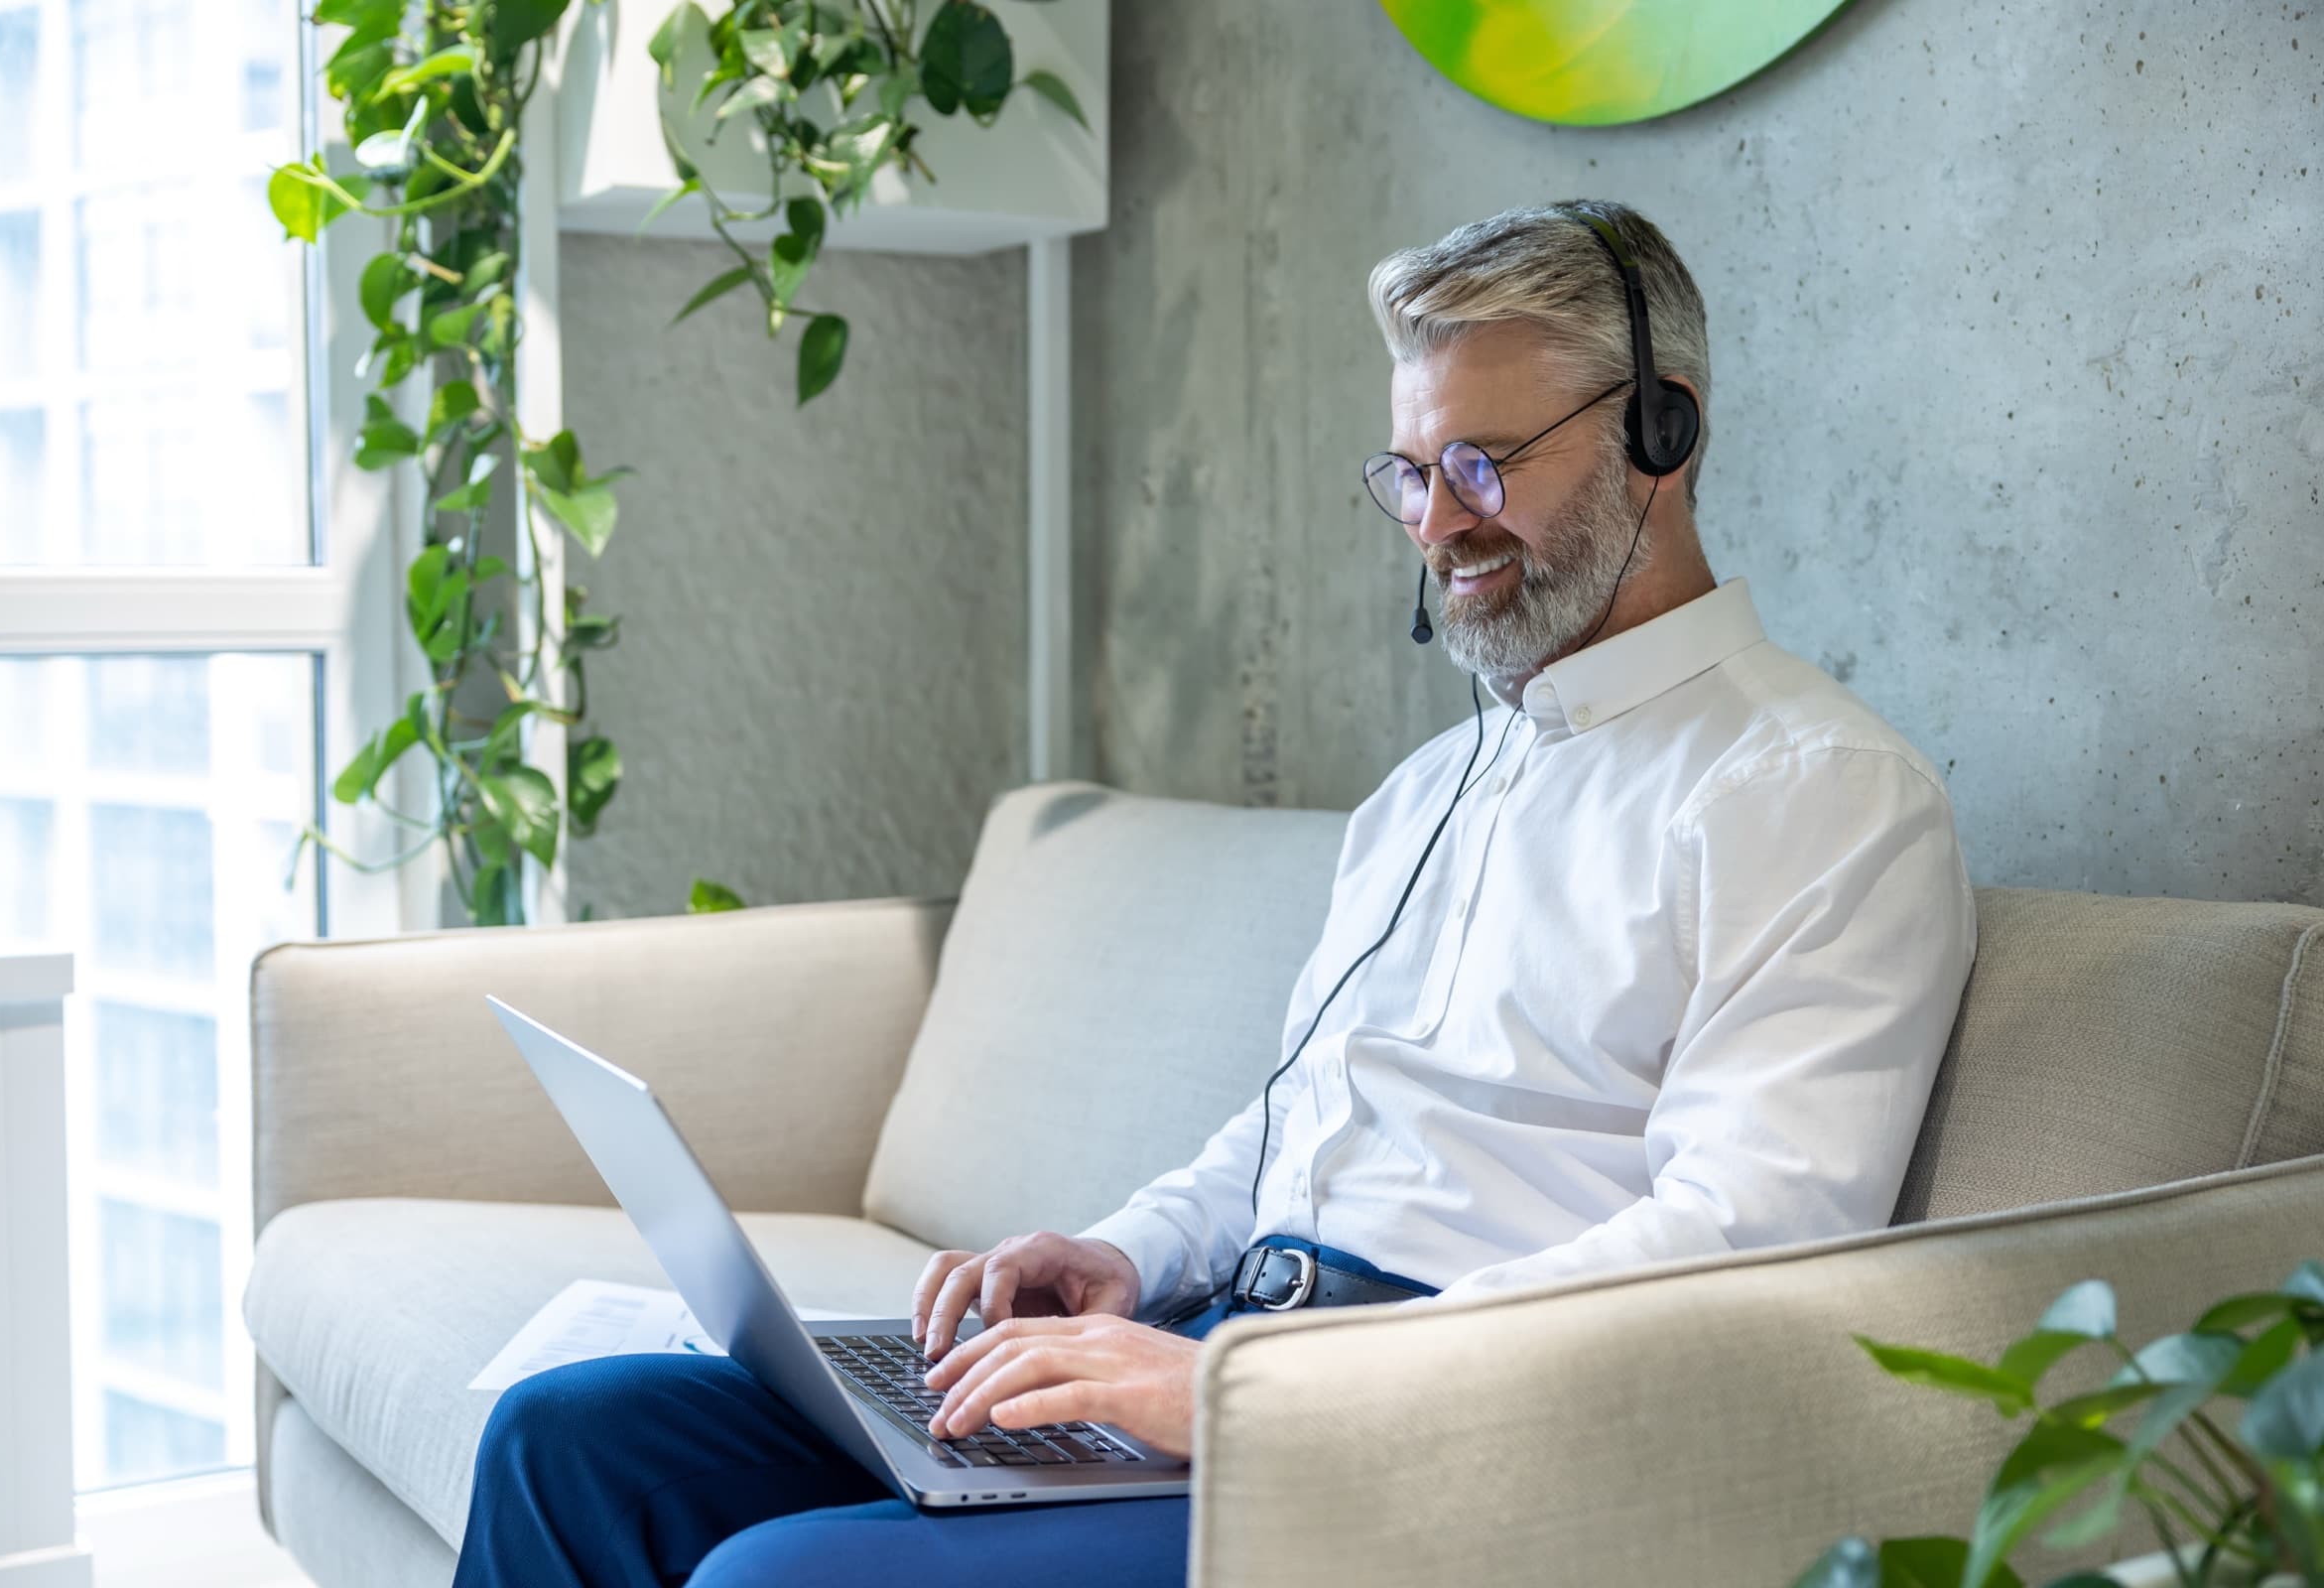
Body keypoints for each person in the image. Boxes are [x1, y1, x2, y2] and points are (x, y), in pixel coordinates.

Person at [449, 198, 1977, 1587]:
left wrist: (1250, 1393)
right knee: (573, 1437)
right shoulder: (1428, 793)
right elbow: (1291, 1125)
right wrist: (1128, 1254)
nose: (1438, 526)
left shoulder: (1818, 794)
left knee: (770, 1580)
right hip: (1228, 1348)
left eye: (1483, 465)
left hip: (1431, 1454)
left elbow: (1746, 1246)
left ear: (1661, 431)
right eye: (1410, 471)